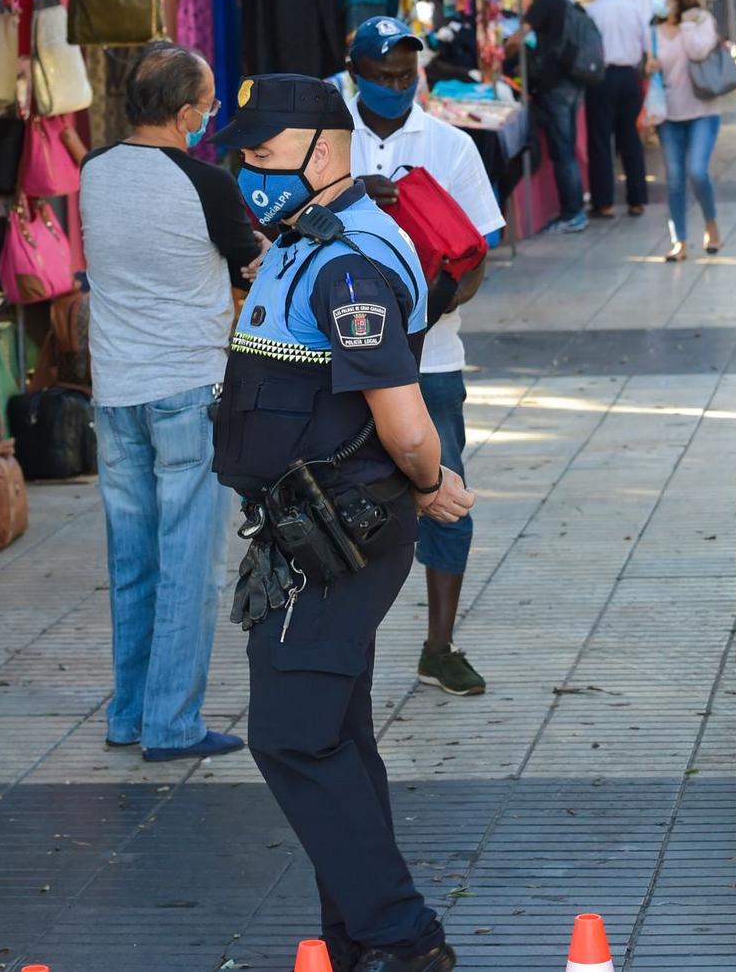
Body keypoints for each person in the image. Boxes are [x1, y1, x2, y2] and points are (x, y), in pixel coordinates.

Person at [211, 75, 475, 972]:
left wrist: (433, 480)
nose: (249, 173)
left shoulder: (346, 259)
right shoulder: (304, 240)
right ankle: (357, 937)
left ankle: (402, 936)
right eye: (243, 155)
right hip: (308, 527)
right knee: (335, 733)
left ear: (326, 150)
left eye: (264, 155)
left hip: (338, 530)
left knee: (291, 732)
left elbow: (402, 415)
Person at [79, 43, 260, 762]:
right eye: (208, 103)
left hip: (115, 390)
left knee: (133, 561)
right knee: (189, 563)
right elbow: (252, 264)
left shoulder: (94, 172)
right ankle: (173, 722)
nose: (211, 114)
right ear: (186, 113)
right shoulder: (208, 183)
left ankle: (129, 712)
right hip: (188, 388)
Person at [341, 17, 509, 698]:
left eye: (405, 75)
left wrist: (430, 309)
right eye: (381, 77)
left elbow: (479, 252)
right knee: (346, 495)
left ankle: (439, 645)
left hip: (432, 357)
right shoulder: (326, 143)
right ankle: (345, 640)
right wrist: (357, 200)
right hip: (339, 359)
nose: (394, 87)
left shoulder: (448, 144)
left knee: (446, 492)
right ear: (355, 76)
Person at [506, 0, 587, 232]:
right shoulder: (571, 3)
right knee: (568, 149)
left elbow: (519, 37)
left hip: (555, 86)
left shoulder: (546, 2)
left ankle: (573, 214)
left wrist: (504, 51)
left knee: (563, 151)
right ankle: (574, 210)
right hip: (574, 83)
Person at [648, 0, 723, 261]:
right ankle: (679, 240)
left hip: (703, 110)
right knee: (675, 178)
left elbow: (698, 51)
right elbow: (651, 67)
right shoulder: (652, 31)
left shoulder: (702, 22)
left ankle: (711, 224)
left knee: (697, 171)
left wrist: (688, 23)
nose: (658, 1)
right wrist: (649, 68)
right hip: (669, 113)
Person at [583, 0, 650, 218]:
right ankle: (636, 199)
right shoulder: (632, 8)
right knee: (630, 138)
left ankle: (604, 202)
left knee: (601, 140)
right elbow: (645, 45)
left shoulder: (592, 10)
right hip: (630, 77)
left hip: (602, 77)